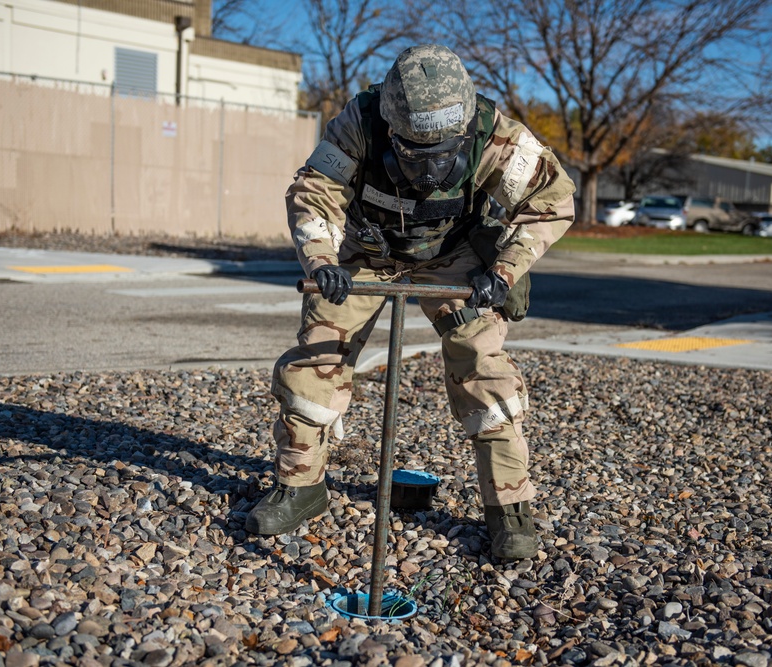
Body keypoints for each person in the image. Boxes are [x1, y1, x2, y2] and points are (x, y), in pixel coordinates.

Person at [246, 44, 575, 560]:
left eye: (442, 149)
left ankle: (509, 509)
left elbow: (552, 201)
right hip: (366, 249)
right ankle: (301, 485)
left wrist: (505, 270)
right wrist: (321, 259)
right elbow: (315, 190)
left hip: (455, 251)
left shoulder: (498, 137)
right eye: (415, 151)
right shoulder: (358, 122)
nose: (429, 166)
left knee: (483, 364)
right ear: (393, 127)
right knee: (319, 354)